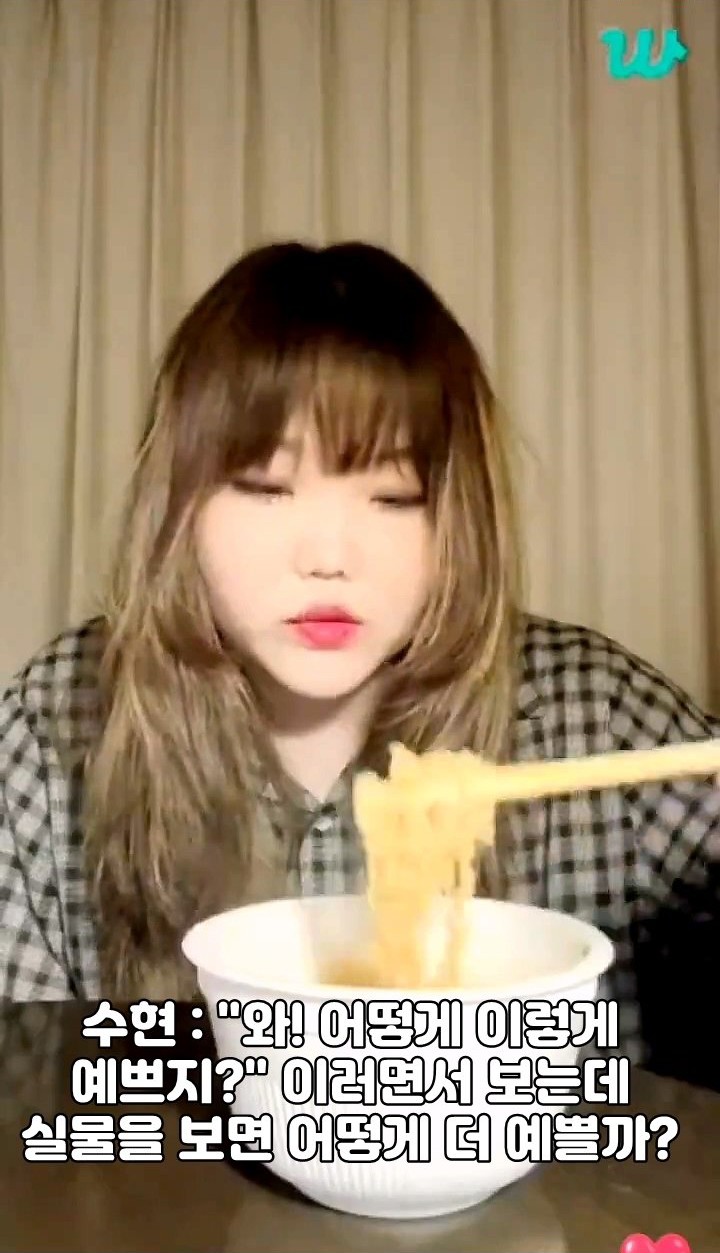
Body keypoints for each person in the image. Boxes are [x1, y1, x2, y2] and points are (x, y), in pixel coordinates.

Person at [1, 240, 718, 1087]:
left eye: (392, 498)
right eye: (266, 487)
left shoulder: (595, 712)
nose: (329, 557)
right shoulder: (58, 721)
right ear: (179, 507)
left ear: (457, 521)